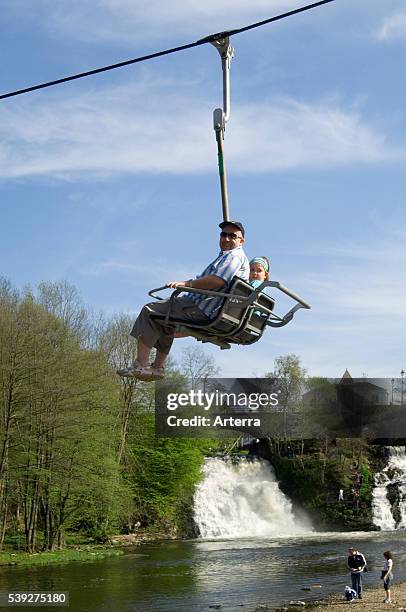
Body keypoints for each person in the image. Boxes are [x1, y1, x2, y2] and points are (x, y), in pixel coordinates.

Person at [117, 221, 249, 381]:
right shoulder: (228, 257)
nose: (226, 239)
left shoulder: (234, 256)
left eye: (232, 236)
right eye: (223, 235)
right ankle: (157, 368)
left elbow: (218, 281)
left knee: (150, 311)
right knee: (165, 320)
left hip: (201, 308)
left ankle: (141, 364)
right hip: (201, 306)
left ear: (241, 241)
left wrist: (188, 285)